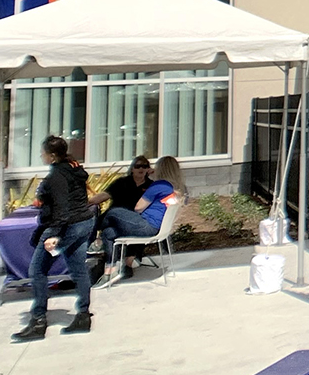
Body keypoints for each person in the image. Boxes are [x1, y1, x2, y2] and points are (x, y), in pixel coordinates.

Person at [13, 135, 93, 341]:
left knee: (37, 270)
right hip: (83, 222)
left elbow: (62, 208)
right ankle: (83, 316)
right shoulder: (74, 169)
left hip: (66, 227)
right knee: (78, 269)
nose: (41, 155)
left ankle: (38, 321)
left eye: (44, 152)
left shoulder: (57, 175)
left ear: (52, 155)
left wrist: (55, 235)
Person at [105, 155, 187, 280]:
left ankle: (100, 247)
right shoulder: (178, 188)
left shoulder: (158, 185)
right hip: (160, 229)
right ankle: (112, 267)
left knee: (113, 212)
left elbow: (138, 207)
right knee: (108, 232)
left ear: (161, 169)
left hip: (147, 225)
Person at [95, 156, 152, 272]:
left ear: (148, 169)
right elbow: (104, 196)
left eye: (144, 166)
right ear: (132, 169)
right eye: (137, 166)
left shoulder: (151, 186)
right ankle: (112, 263)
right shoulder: (122, 183)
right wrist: (87, 203)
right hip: (116, 220)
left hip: (136, 222)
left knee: (110, 227)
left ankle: (126, 264)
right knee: (110, 225)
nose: (141, 169)